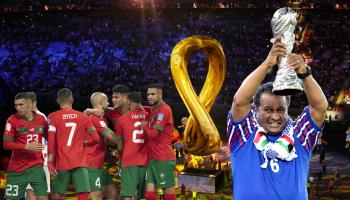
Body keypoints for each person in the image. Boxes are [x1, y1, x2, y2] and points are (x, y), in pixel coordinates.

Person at [227, 38, 328, 199]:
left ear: (287, 110)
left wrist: (304, 72)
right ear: (255, 110)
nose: (275, 116)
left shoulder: (299, 135)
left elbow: (320, 108)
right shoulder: (243, 135)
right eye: (268, 109)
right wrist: (267, 64)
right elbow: (239, 102)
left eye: (280, 110)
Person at [47, 88, 100, 200]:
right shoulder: (83, 117)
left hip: (61, 162)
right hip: (80, 162)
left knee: (57, 195)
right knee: (84, 195)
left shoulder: (52, 117)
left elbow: (51, 142)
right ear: (72, 99)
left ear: (58, 100)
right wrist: (85, 143)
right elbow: (96, 138)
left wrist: (50, 162)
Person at [3, 92, 48, 200]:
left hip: (36, 167)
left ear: (29, 104)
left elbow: (49, 138)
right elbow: (6, 144)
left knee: (43, 198)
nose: (18, 108)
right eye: (16, 105)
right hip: (17, 169)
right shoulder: (11, 120)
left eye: (21, 104)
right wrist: (26, 146)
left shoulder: (41, 119)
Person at [141, 84, 176, 200]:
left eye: (153, 94)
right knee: (150, 195)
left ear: (160, 95)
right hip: (153, 158)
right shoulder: (155, 109)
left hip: (163, 157)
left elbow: (153, 135)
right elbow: (148, 109)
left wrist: (145, 126)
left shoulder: (164, 110)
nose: (149, 97)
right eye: (148, 94)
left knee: (168, 193)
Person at [115, 92, 149, 200]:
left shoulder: (122, 119)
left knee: (128, 195)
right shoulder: (150, 117)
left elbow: (120, 146)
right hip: (147, 161)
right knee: (144, 196)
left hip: (129, 160)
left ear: (129, 101)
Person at [85, 92, 119, 200]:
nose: (109, 103)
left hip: (98, 165)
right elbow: (114, 139)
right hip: (91, 164)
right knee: (96, 195)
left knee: (112, 193)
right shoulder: (95, 119)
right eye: (107, 100)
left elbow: (111, 142)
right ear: (100, 102)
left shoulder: (102, 120)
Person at [25, 92, 50, 200]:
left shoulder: (42, 118)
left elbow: (49, 139)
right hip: (27, 163)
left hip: (41, 163)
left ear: (34, 103)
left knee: (42, 196)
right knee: (30, 194)